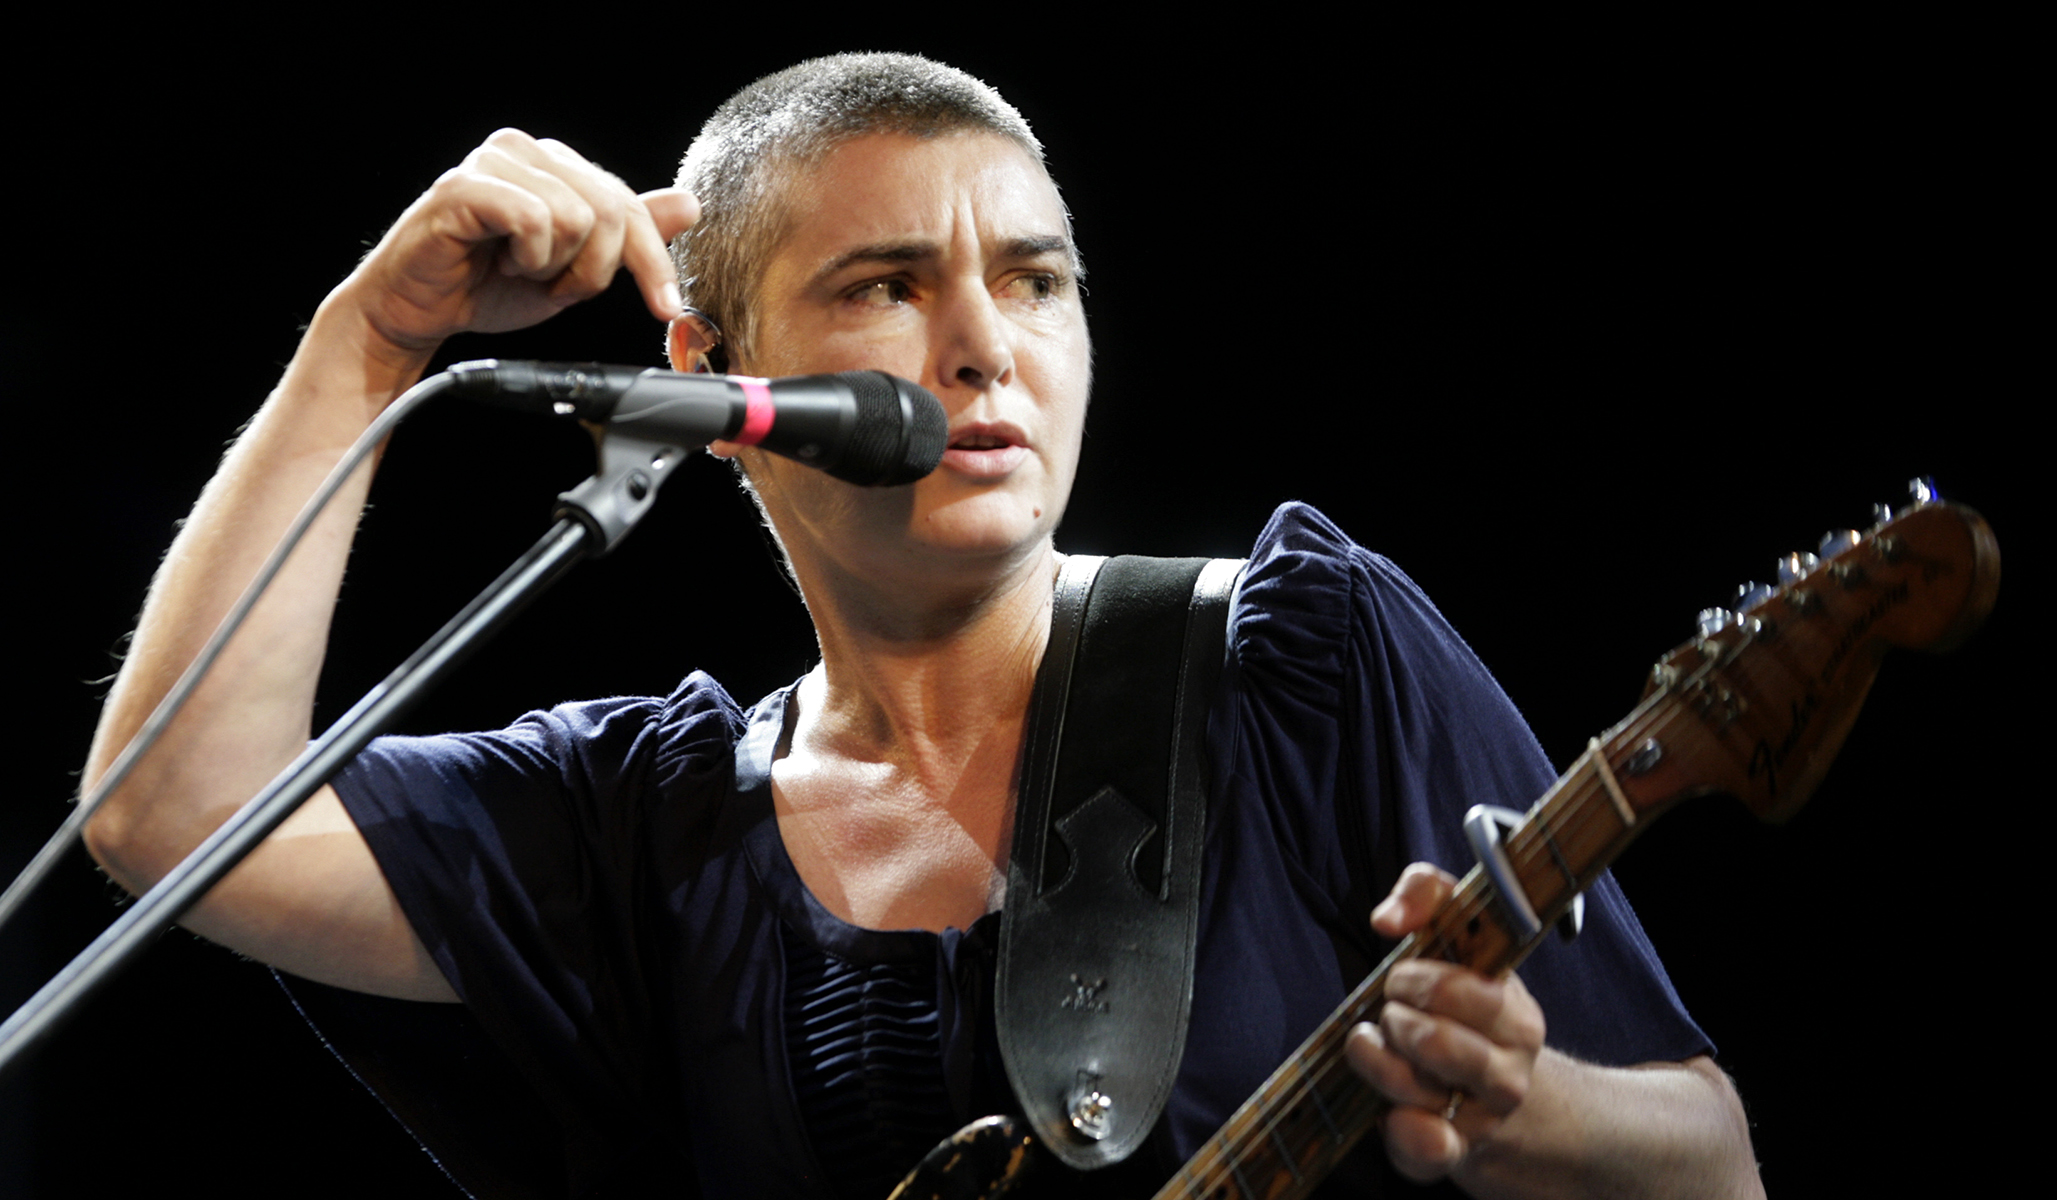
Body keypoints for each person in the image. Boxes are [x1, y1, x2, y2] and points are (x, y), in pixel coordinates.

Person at [82, 53, 1761, 1197]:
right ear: (710, 377)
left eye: (1033, 281)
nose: (982, 347)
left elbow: (1713, 1157)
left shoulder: (1303, 659)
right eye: (886, 284)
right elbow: (170, 816)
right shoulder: (640, 825)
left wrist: (1530, 1110)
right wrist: (371, 344)